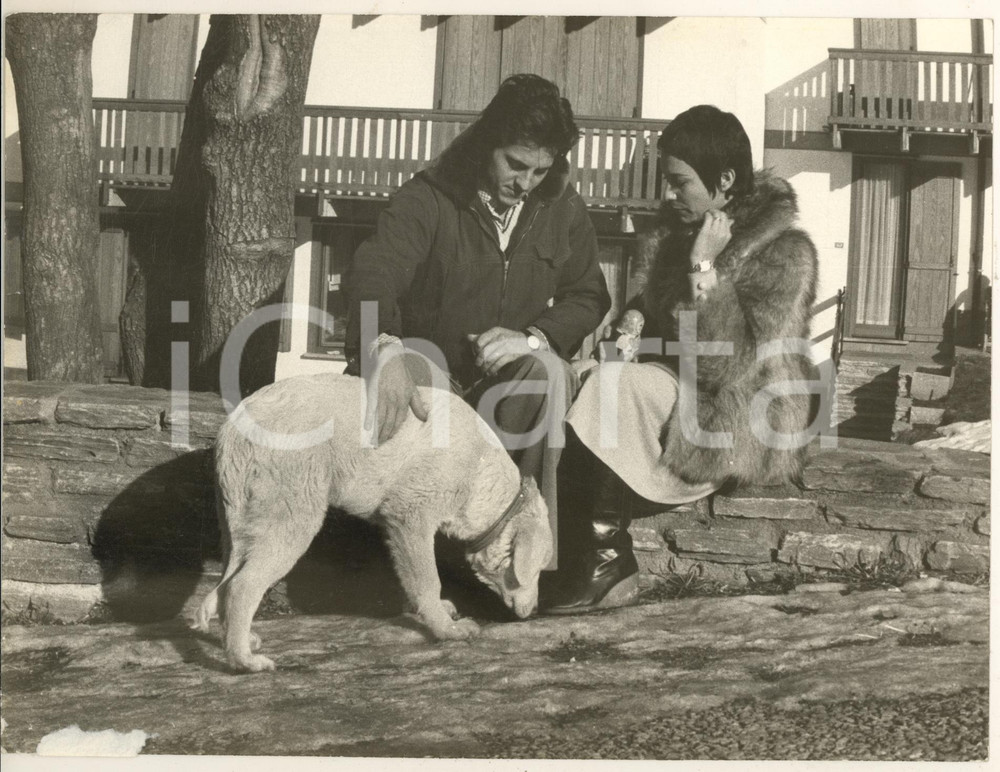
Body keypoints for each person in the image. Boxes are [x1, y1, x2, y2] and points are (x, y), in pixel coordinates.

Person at [540, 105, 820, 614]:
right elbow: (650, 310)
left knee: (614, 388)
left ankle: (607, 562)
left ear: (725, 180)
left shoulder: (784, 253)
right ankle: (561, 556)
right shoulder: (674, 236)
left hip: (740, 414)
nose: (670, 195)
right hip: (681, 386)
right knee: (582, 378)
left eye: (680, 182)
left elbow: (723, 366)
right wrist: (631, 327)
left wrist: (704, 267)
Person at [344, 74, 611, 543]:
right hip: (433, 382)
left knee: (546, 371)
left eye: (540, 171)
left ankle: (521, 556)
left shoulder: (562, 207)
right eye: (516, 164)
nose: (526, 183)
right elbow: (374, 274)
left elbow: (588, 294)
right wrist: (383, 348)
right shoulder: (429, 197)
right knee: (408, 369)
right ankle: (408, 555)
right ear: (489, 140)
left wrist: (533, 337)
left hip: (500, 390)